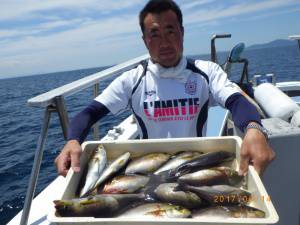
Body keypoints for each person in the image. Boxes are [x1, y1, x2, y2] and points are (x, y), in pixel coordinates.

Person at [55, 0, 275, 177]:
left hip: (195, 167)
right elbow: (90, 112)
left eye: (171, 31)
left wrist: (254, 128)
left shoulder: (206, 72)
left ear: (182, 32)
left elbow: (236, 101)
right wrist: (73, 140)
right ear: (145, 40)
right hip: (148, 170)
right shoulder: (133, 79)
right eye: (155, 34)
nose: (165, 42)